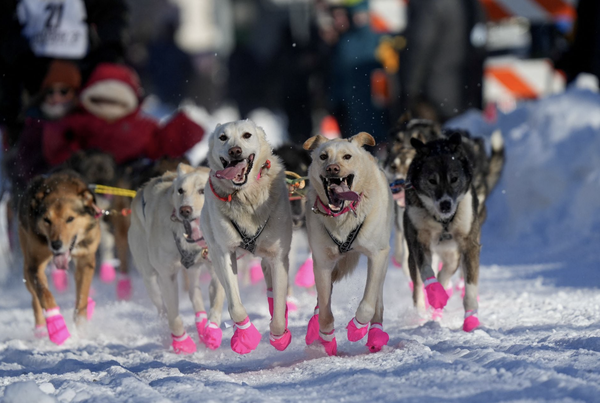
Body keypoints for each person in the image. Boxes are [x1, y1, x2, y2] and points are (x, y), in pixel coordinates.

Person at [399, 0, 486, 123]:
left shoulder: (429, 4)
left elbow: (419, 48)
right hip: (465, 91)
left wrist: (409, 91)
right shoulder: (471, 4)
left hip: (434, 94)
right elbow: (480, 44)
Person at [7, 59, 81, 201]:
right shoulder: (34, 124)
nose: (56, 97)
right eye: (50, 91)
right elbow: (25, 164)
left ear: (75, 93)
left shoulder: (84, 122)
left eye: (63, 91)